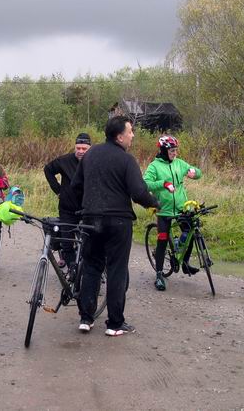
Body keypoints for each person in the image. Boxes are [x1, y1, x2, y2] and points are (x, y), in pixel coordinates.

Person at [72, 115, 159, 336]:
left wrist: (90, 202)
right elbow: (139, 192)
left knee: (91, 267)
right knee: (116, 270)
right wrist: (154, 204)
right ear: (119, 136)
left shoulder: (90, 155)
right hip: (118, 221)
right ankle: (114, 324)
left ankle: (86, 318)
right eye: (130, 131)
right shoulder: (126, 160)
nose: (132, 135)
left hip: (90, 219)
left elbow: (75, 185)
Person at [143, 135, 203, 291]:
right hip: (164, 211)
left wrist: (193, 172)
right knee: (162, 241)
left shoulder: (179, 163)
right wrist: (163, 183)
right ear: (163, 150)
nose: (175, 153)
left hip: (182, 208)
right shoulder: (154, 166)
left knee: (189, 231)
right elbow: (146, 184)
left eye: (176, 150)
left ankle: (185, 263)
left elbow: (198, 173)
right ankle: (159, 275)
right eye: (172, 150)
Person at [43, 132, 91, 270]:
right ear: (75, 147)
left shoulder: (94, 161)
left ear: (90, 148)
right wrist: (58, 190)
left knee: (90, 243)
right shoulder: (65, 160)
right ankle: (72, 270)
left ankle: (89, 269)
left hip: (88, 209)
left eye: (84, 149)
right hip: (67, 209)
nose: (80, 151)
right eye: (78, 148)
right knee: (67, 243)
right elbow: (48, 170)